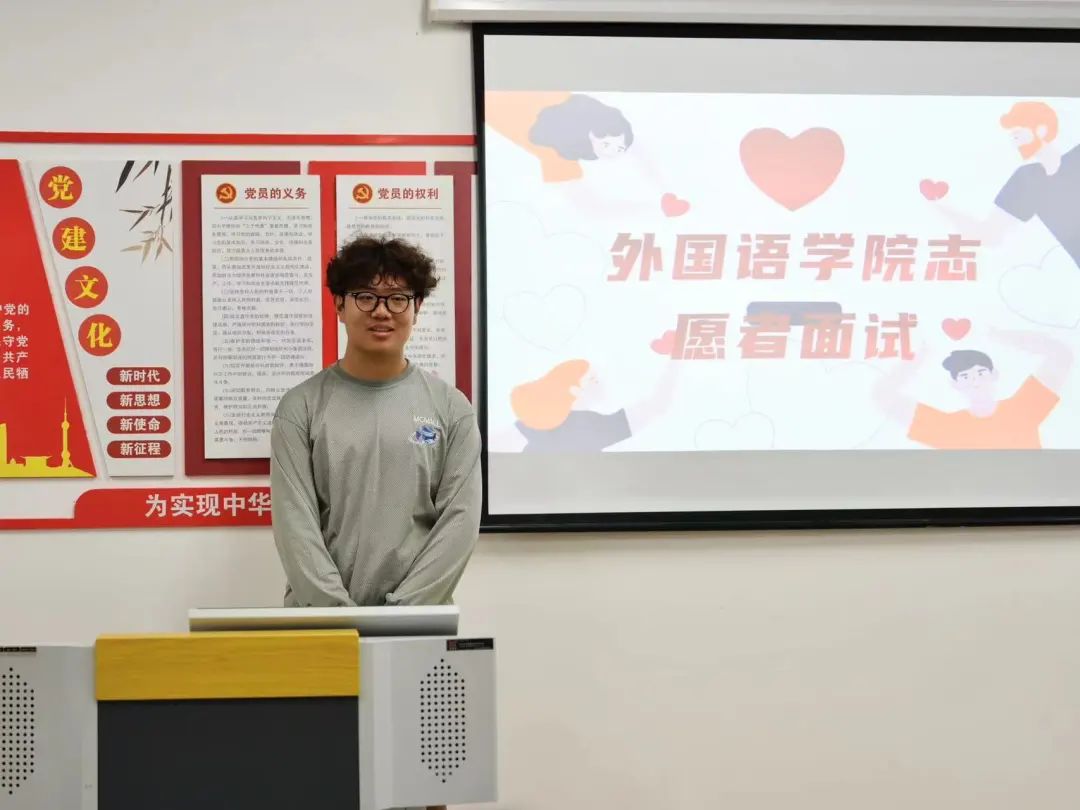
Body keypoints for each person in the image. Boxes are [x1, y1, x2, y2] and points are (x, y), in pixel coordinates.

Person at [269, 235, 482, 609]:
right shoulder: (300, 408)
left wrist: (402, 613)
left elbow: (459, 523)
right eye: (366, 297)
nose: (382, 311)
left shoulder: (451, 409)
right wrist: (338, 615)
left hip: (418, 623)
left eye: (398, 298)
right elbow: (294, 525)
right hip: (321, 623)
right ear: (339, 305)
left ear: (417, 308)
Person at [931, 101, 1080, 267]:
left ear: (1042, 129)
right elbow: (989, 235)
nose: (1015, 140)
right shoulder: (1026, 181)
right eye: (1012, 135)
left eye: (1018, 132)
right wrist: (939, 204)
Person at [873, 328, 1072, 449]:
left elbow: (1060, 355)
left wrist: (1002, 335)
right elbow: (883, 396)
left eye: (981, 372)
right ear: (955, 384)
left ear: (994, 374)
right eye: (965, 376)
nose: (975, 381)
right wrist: (918, 357)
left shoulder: (1022, 410)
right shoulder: (946, 428)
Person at [505, 358, 678, 452]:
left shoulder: (533, 424)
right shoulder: (592, 427)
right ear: (574, 390)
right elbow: (657, 405)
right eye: (593, 380)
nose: (600, 383)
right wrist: (675, 364)